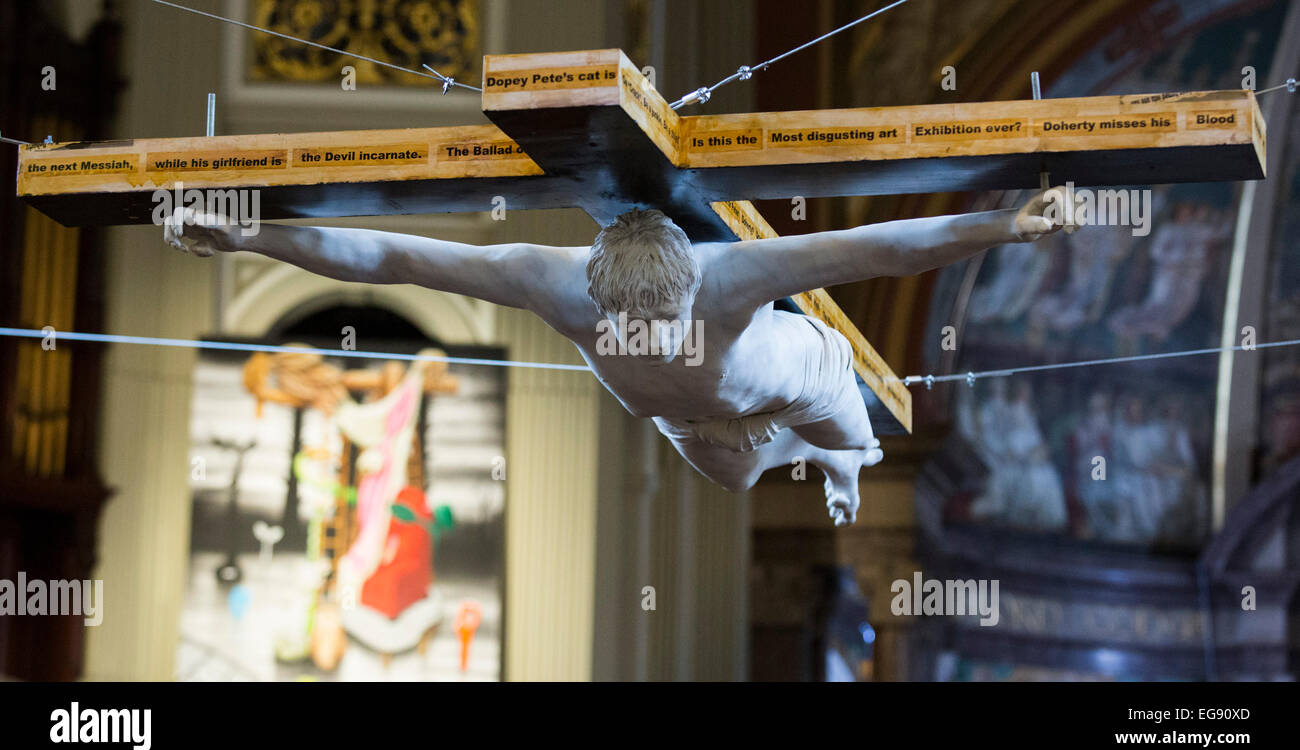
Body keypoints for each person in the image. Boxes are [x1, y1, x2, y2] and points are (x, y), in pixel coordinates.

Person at [164, 188, 1079, 525]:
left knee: (848, 439)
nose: (643, 331)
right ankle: (806, 457)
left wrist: (1005, 224)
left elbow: (887, 246)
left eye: (663, 316)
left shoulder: (738, 273)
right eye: (624, 320)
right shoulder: (548, 278)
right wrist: (249, 233)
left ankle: (840, 458)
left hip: (797, 376)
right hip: (692, 418)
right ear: (593, 288)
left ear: (694, 280)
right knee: (739, 484)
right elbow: (389, 255)